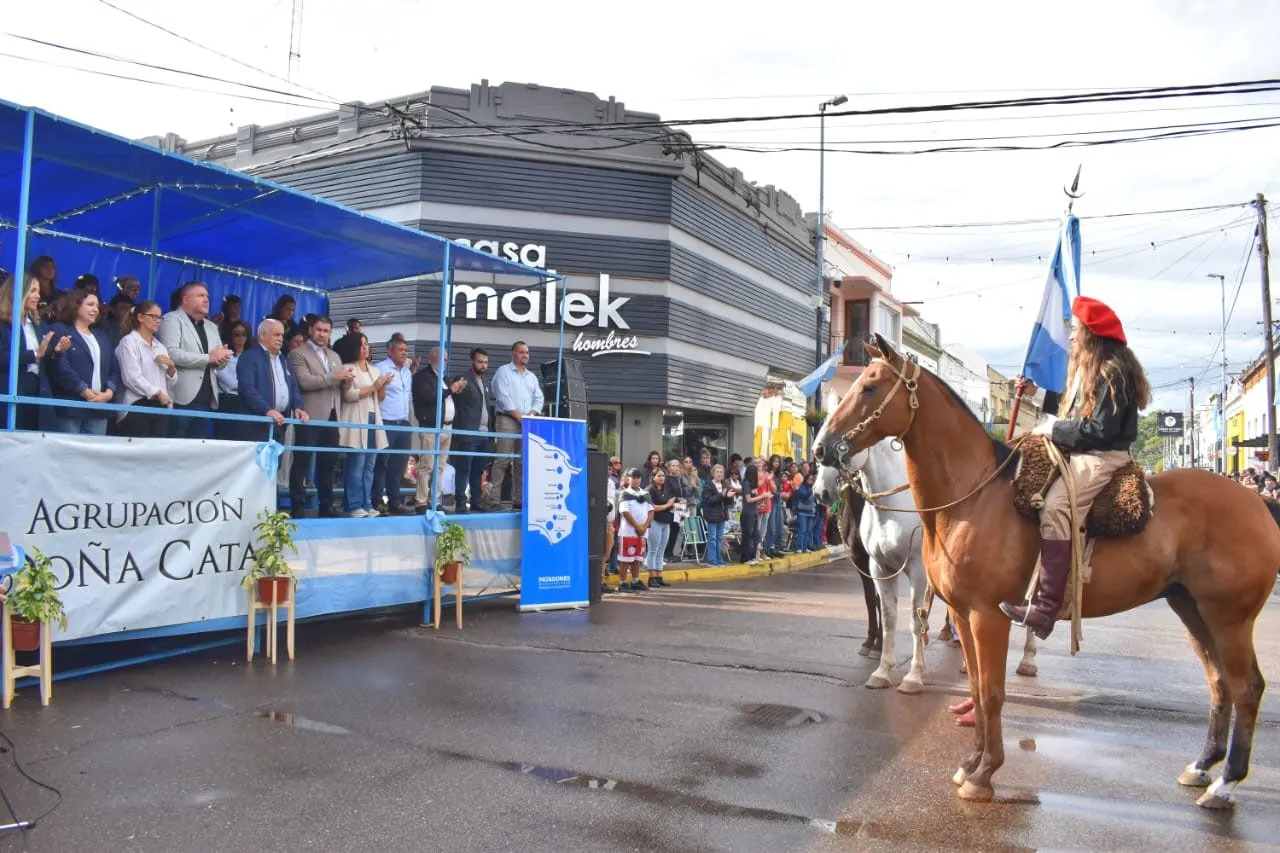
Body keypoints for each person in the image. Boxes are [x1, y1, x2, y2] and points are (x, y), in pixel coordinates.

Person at [1000, 295, 1151, 639]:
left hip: (1102, 457)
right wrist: (1035, 396)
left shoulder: (1113, 373)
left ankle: (1046, 608)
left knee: (1055, 505)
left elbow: (1099, 431)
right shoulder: (1090, 369)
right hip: (1080, 451)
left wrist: (1051, 429)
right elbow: (1071, 409)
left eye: (1076, 329)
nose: (1070, 336)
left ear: (1091, 334)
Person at [289, 316, 352, 517]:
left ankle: (327, 505)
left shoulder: (334, 355)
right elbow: (304, 382)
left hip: (333, 415)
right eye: (319, 330)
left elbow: (341, 387)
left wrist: (347, 380)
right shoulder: (298, 354)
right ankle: (297, 506)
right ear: (310, 330)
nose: (322, 334)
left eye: (326, 331)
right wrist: (333, 377)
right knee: (302, 462)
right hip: (309, 414)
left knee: (329, 462)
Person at [156, 282, 232, 438]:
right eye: (200, 296)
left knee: (198, 454)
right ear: (185, 300)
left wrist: (222, 358)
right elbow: (171, 354)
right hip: (180, 400)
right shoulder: (171, 319)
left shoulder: (212, 327)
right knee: (175, 450)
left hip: (206, 401)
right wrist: (209, 357)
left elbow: (219, 364)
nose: (206, 299)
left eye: (207, 296)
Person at [0, 273, 69, 430]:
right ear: (15, 291)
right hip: (10, 391)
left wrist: (55, 352)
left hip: (38, 392)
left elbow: (44, 358)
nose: (38, 296)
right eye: (32, 291)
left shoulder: (39, 325)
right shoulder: (3, 324)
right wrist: (33, 355)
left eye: (38, 291)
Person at [48, 290, 119, 435]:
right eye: (90, 304)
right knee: (68, 454)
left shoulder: (101, 335)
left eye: (97, 306)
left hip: (100, 407)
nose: (95, 309)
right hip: (72, 406)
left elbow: (114, 368)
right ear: (75, 305)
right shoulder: (60, 330)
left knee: (94, 455)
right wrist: (84, 390)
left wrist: (109, 393)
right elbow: (61, 366)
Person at [485, 341, 543, 510]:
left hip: (527, 421)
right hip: (508, 419)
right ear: (513, 354)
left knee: (522, 462)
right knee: (503, 459)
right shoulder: (503, 372)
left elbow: (539, 398)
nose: (525, 355)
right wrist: (520, 417)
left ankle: (519, 499)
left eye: (527, 352)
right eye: (521, 352)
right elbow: (502, 397)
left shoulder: (531, 377)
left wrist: (531, 415)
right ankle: (493, 498)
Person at [338, 333, 391, 517]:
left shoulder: (375, 370)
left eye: (367, 344)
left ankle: (367, 502)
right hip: (356, 419)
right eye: (361, 345)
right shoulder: (348, 368)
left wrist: (383, 385)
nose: (365, 348)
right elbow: (349, 395)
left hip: (373, 418)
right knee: (357, 463)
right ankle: (353, 504)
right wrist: (374, 387)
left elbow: (380, 399)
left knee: (370, 465)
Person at [236, 319, 307, 444]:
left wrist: (298, 407)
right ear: (262, 336)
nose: (280, 339)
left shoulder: (283, 359)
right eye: (276, 334)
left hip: (279, 423)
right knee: (258, 462)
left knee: (275, 462)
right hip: (256, 424)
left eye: (282, 335)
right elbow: (247, 388)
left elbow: (292, 386)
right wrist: (267, 409)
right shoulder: (249, 357)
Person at [113, 300, 176, 437]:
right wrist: (157, 393)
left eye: (160, 317)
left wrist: (172, 367)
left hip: (160, 406)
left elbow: (169, 383)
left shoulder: (160, 346)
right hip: (137, 405)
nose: (157, 320)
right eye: (153, 316)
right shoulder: (128, 342)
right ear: (140, 317)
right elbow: (131, 378)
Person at [372, 337, 415, 515]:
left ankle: (395, 502)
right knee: (381, 464)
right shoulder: (381, 368)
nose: (405, 353)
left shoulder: (406, 372)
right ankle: (376, 501)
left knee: (398, 465)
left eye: (406, 350)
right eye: (401, 350)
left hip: (403, 422)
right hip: (386, 421)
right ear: (390, 351)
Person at [450, 348, 492, 513]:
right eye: (480, 362)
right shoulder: (463, 379)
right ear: (472, 362)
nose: (483, 365)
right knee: (464, 468)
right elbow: (453, 396)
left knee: (478, 470)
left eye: (485, 362)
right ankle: (460, 502)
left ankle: (476, 501)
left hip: (484, 433)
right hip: (467, 432)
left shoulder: (486, 382)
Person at [616, 469, 652, 593]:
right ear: (628, 479)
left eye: (638, 477)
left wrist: (645, 526)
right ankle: (623, 582)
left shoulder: (645, 494)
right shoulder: (625, 494)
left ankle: (635, 580)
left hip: (642, 533)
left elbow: (651, 511)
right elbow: (624, 512)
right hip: (628, 533)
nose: (636, 480)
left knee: (638, 558)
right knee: (626, 559)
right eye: (633, 477)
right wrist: (638, 526)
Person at [700, 464, 735, 566]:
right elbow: (709, 500)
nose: (719, 474)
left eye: (721, 472)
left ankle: (719, 558)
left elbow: (728, 502)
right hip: (711, 515)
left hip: (722, 515)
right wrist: (722, 495)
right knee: (712, 538)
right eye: (717, 472)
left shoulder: (725, 484)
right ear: (713, 473)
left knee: (720, 538)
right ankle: (712, 559)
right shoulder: (708, 485)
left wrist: (729, 497)